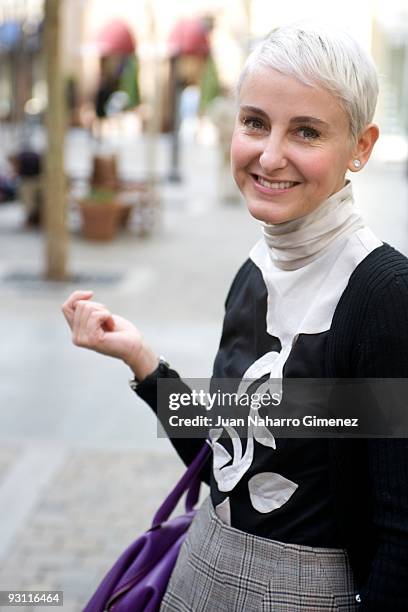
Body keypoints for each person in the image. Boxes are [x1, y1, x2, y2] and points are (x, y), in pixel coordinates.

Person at [62, 22, 408, 611]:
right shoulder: (253, 271)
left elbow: (400, 536)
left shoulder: (383, 296)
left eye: (306, 131)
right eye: (254, 123)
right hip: (197, 580)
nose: (269, 155)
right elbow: (227, 464)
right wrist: (144, 363)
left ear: (361, 147)